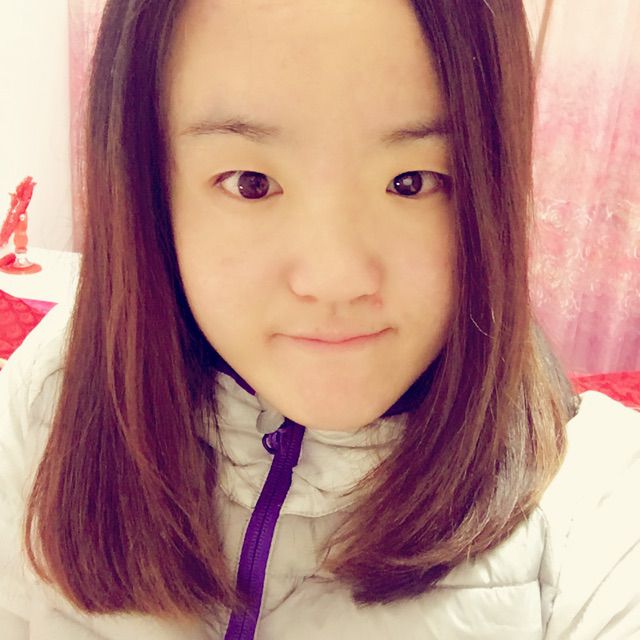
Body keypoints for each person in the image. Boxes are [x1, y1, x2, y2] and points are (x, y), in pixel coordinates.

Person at [1, 0, 639, 638]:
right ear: (149, 187)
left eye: (412, 182)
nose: (335, 280)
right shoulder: (50, 395)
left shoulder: (597, 503)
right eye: (250, 183)